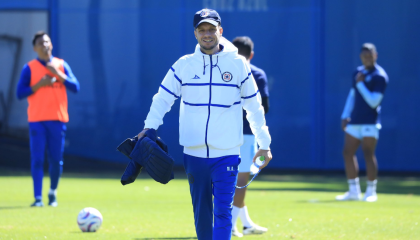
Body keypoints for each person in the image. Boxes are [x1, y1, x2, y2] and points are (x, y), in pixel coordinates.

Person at [136, 9, 272, 240]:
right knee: (202, 213)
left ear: (220, 31)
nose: (207, 34)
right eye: (202, 30)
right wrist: (150, 128)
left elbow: (254, 107)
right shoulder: (183, 65)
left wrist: (265, 143)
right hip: (194, 153)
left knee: (223, 212)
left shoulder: (238, 64)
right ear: (195, 33)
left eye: (211, 29)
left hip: (227, 153)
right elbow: (162, 99)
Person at [16, 31, 80, 207]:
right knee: (37, 159)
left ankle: (52, 193)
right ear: (35, 48)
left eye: (47, 42)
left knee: (56, 160)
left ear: (51, 44)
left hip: (57, 120)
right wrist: (39, 85)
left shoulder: (61, 65)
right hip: (37, 120)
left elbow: (76, 87)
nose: (45, 45)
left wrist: (59, 74)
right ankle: (38, 198)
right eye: (40, 43)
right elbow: (19, 93)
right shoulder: (29, 68)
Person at [336, 43, 388, 202]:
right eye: (364, 56)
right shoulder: (357, 73)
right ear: (361, 57)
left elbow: (374, 102)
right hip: (355, 121)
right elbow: (352, 95)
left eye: (370, 55)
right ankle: (353, 191)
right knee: (347, 153)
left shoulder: (380, 76)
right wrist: (345, 115)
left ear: (375, 55)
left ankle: (371, 191)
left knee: (368, 153)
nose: (367, 58)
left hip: (370, 123)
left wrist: (361, 84)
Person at [230, 36, 269, 237]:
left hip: (223, 133)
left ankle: (245, 223)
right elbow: (264, 107)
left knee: (227, 180)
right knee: (241, 180)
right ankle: (229, 225)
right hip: (246, 133)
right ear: (251, 54)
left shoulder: (223, 71)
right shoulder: (257, 74)